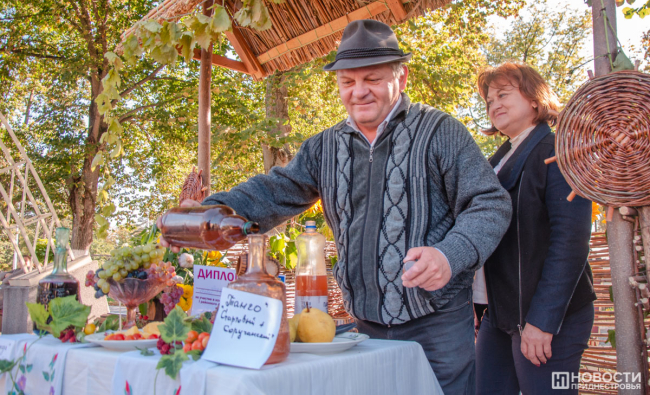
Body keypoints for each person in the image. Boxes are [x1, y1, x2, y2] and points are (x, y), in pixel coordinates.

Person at [160, 20, 512, 394]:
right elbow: (271, 193)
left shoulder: (441, 131)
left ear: (401, 77)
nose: (358, 91)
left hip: (437, 326)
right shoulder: (323, 148)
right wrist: (208, 209)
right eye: (347, 82)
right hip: (365, 329)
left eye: (372, 79)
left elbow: (490, 203)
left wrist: (449, 256)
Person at [474, 62, 595, 395]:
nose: (494, 104)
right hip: (500, 314)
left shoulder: (558, 151)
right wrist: (478, 303)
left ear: (533, 98)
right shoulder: (496, 163)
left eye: (503, 94)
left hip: (547, 317)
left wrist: (543, 321)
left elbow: (570, 241)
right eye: (489, 100)